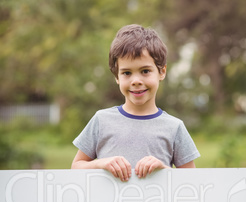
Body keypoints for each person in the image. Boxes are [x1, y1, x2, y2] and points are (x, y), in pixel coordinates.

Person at [71, 24, 200, 181]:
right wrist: (101, 164)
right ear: (117, 77)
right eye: (126, 73)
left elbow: (192, 182)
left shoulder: (175, 127)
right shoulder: (101, 120)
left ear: (162, 71)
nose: (136, 81)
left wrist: (164, 170)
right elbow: (76, 167)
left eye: (145, 71)